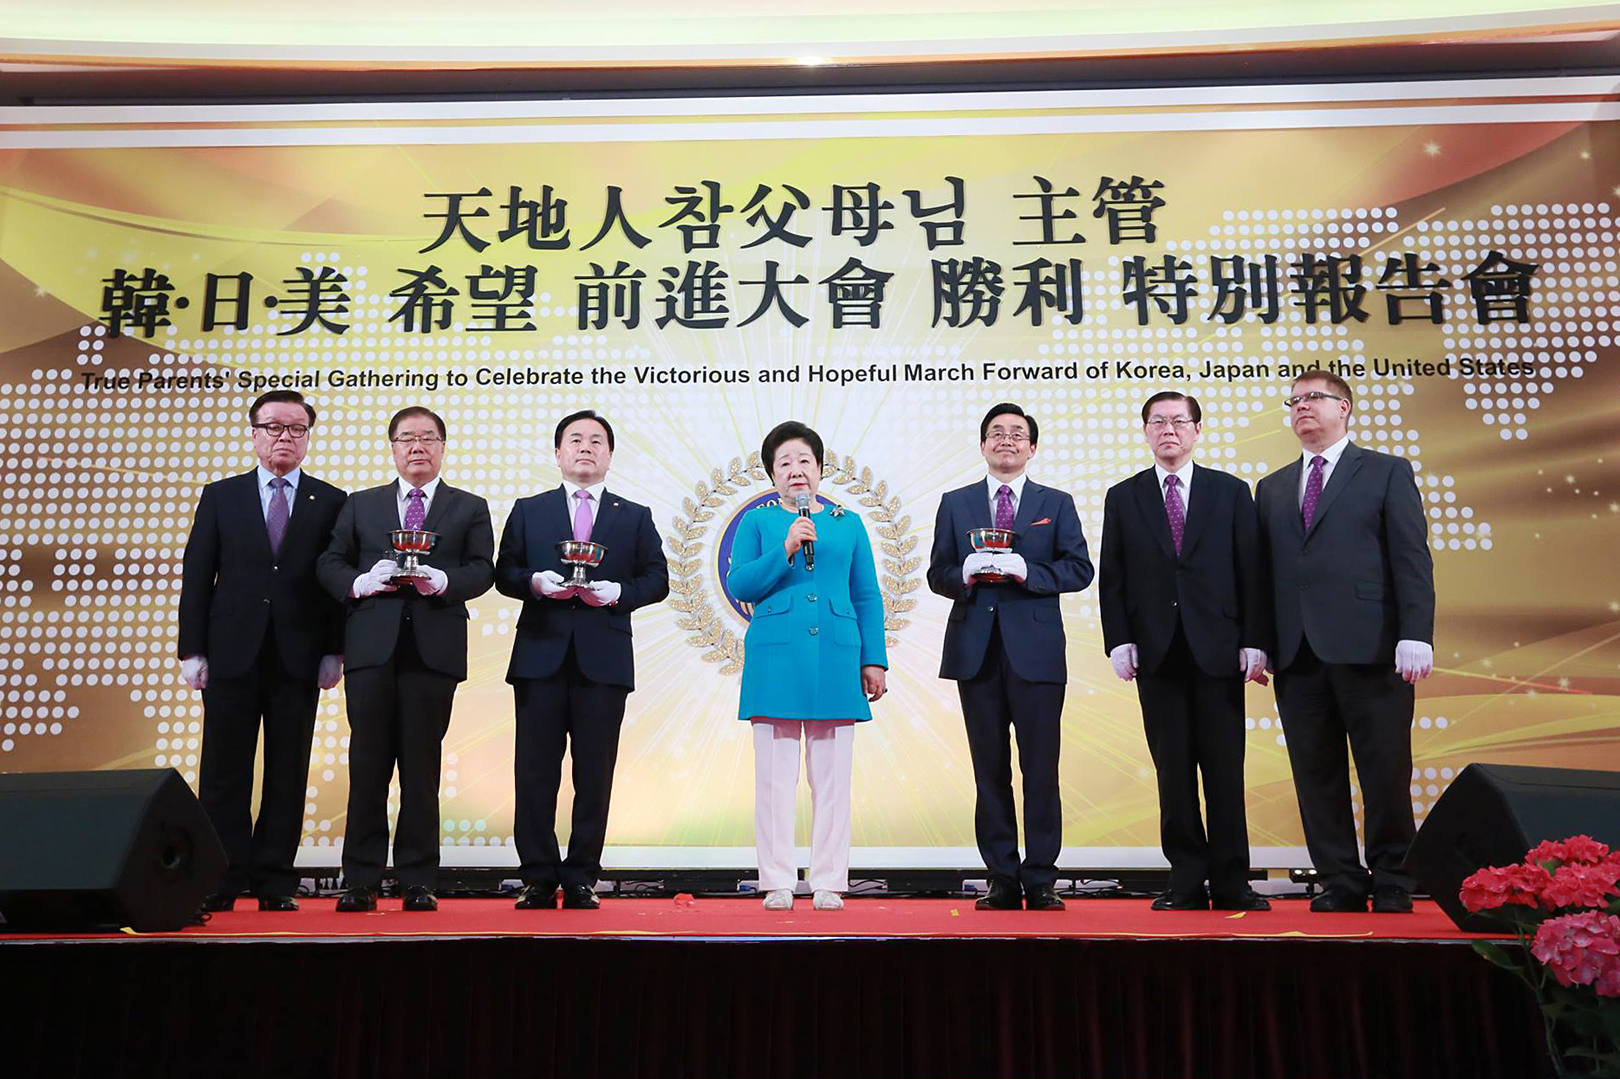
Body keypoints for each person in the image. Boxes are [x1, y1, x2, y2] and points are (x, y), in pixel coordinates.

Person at [1255, 369, 1435, 914]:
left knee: (1384, 769)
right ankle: (1340, 878)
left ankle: (1394, 879)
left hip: (1372, 646)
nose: (1302, 408)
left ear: (1345, 407)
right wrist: (1260, 642)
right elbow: (1264, 575)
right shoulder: (1273, 486)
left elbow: (1410, 557)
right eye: (1294, 401)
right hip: (1297, 653)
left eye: (1314, 398)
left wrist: (1415, 633)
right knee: (1316, 772)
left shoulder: (1384, 471)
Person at [1099, 391, 1273, 912]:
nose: (1168, 430)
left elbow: (1252, 571)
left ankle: (1232, 880)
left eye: (1179, 421)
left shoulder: (1230, 491)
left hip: (1219, 648)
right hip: (1156, 651)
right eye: (1158, 422)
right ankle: (1185, 878)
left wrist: (1256, 640)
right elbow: (1113, 578)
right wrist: (1118, 640)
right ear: (1146, 432)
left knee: (1225, 770)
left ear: (1197, 430)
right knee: (1172, 771)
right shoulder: (1124, 496)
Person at [316, 406, 494, 912]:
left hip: (433, 651)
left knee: (422, 767)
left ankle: (419, 879)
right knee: (367, 764)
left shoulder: (468, 506)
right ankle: (360, 880)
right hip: (371, 648)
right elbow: (329, 561)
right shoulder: (360, 505)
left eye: (428, 438)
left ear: (442, 447)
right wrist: (358, 583)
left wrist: (444, 581)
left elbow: (483, 568)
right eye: (407, 438)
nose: (418, 447)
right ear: (393, 447)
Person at [494, 410, 669, 911]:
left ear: (610, 455)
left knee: (595, 772)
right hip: (541, 656)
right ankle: (537, 876)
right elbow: (504, 570)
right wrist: (533, 582)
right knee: (534, 772)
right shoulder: (530, 509)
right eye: (575, 440)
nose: (586, 448)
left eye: (596, 441)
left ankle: (582, 876)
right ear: (558, 454)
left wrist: (618, 592)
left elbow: (657, 579)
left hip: (603, 660)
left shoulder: (633, 515)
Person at [178, 390, 346, 912]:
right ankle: (221, 877)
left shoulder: (331, 500)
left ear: (308, 438)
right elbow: (198, 575)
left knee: (287, 769)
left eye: (296, 429)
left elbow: (335, 582)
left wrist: (333, 651)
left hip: (298, 655)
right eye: (273, 427)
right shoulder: (221, 496)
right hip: (230, 652)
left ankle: (274, 879)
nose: (284, 437)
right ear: (253, 434)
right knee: (224, 770)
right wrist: (191, 649)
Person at [926, 403, 1093, 912]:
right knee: (989, 770)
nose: (1006, 441)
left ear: (1032, 448)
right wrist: (965, 575)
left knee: (1041, 768)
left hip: (1037, 653)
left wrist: (1028, 570)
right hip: (976, 651)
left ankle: (1041, 876)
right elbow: (938, 573)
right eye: (996, 433)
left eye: (1017, 434)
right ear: (982, 446)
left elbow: (1080, 569)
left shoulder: (1056, 503)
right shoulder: (955, 503)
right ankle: (1001, 875)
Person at [727, 421, 887, 911]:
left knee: (833, 777)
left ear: (820, 468)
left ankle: (828, 879)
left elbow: (866, 594)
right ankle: (775, 878)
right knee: (774, 779)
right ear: (772, 475)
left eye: (804, 461)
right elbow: (741, 584)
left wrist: (874, 659)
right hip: (776, 657)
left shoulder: (847, 521)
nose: (796, 471)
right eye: (785, 464)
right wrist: (787, 547)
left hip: (838, 657)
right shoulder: (758, 522)